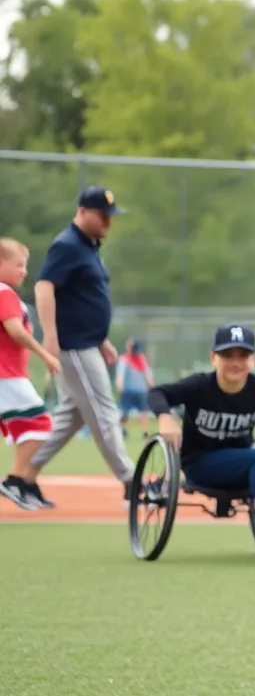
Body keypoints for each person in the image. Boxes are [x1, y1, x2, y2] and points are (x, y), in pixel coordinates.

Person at [147, 324, 255, 562]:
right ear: (214, 357)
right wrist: (165, 417)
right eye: (227, 355)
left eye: (243, 356)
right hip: (199, 465)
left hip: (242, 465)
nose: (235, 362)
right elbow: (157, 393)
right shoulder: (199, 386)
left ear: (252, 359)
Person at [26, 185, 135, 507]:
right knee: (104, 412)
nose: (108, 222)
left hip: (87, 342)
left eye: (110, 216)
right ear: (83, 211)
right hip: (73, 345)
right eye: (103, 216)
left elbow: (82, 298)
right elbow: (45, 286)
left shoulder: (88, 246)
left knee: (71, 417)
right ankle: (131, 480)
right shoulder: (68, 244)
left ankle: (23, 476)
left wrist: (101, 339)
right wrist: (50, 337)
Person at [0, 239, 61, 510]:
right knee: (40, 424)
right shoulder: (4, 293)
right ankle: (14, 480)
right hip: (6, 375)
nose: (24, 271)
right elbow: (15, 329)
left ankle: (21, 482)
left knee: (28, 427)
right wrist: (45, 354)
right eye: (19, 265)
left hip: (9, 374)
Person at [116, 337, 154, 439]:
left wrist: (150, 386)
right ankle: (123, 429)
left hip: (140, 391)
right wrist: (120, 385)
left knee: (143, 412)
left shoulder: (141, 359)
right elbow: (121, 374)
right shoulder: (125, 359)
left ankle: (144, 432)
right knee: (125, 412)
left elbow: (147, 374)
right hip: (129, 390)